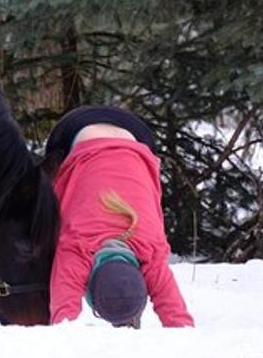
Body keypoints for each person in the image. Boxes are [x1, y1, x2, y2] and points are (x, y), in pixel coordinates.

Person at [44, 105, 194, 328]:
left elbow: (177, 316)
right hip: (74, 135)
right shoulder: (76, 249)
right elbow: (62, 317)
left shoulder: (150, 251)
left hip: (136, 139)